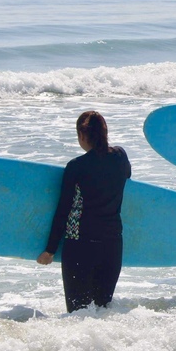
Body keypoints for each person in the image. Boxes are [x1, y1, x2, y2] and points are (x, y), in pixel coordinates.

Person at [36, 111, 132, 312]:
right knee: (102, 311)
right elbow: (127, 176)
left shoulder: (76, 167)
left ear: (81, 135)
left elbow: (64, 209)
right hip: (112, 246)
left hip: (81, 246)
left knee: (79, 314)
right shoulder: (121, 156)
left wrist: (50, 250)